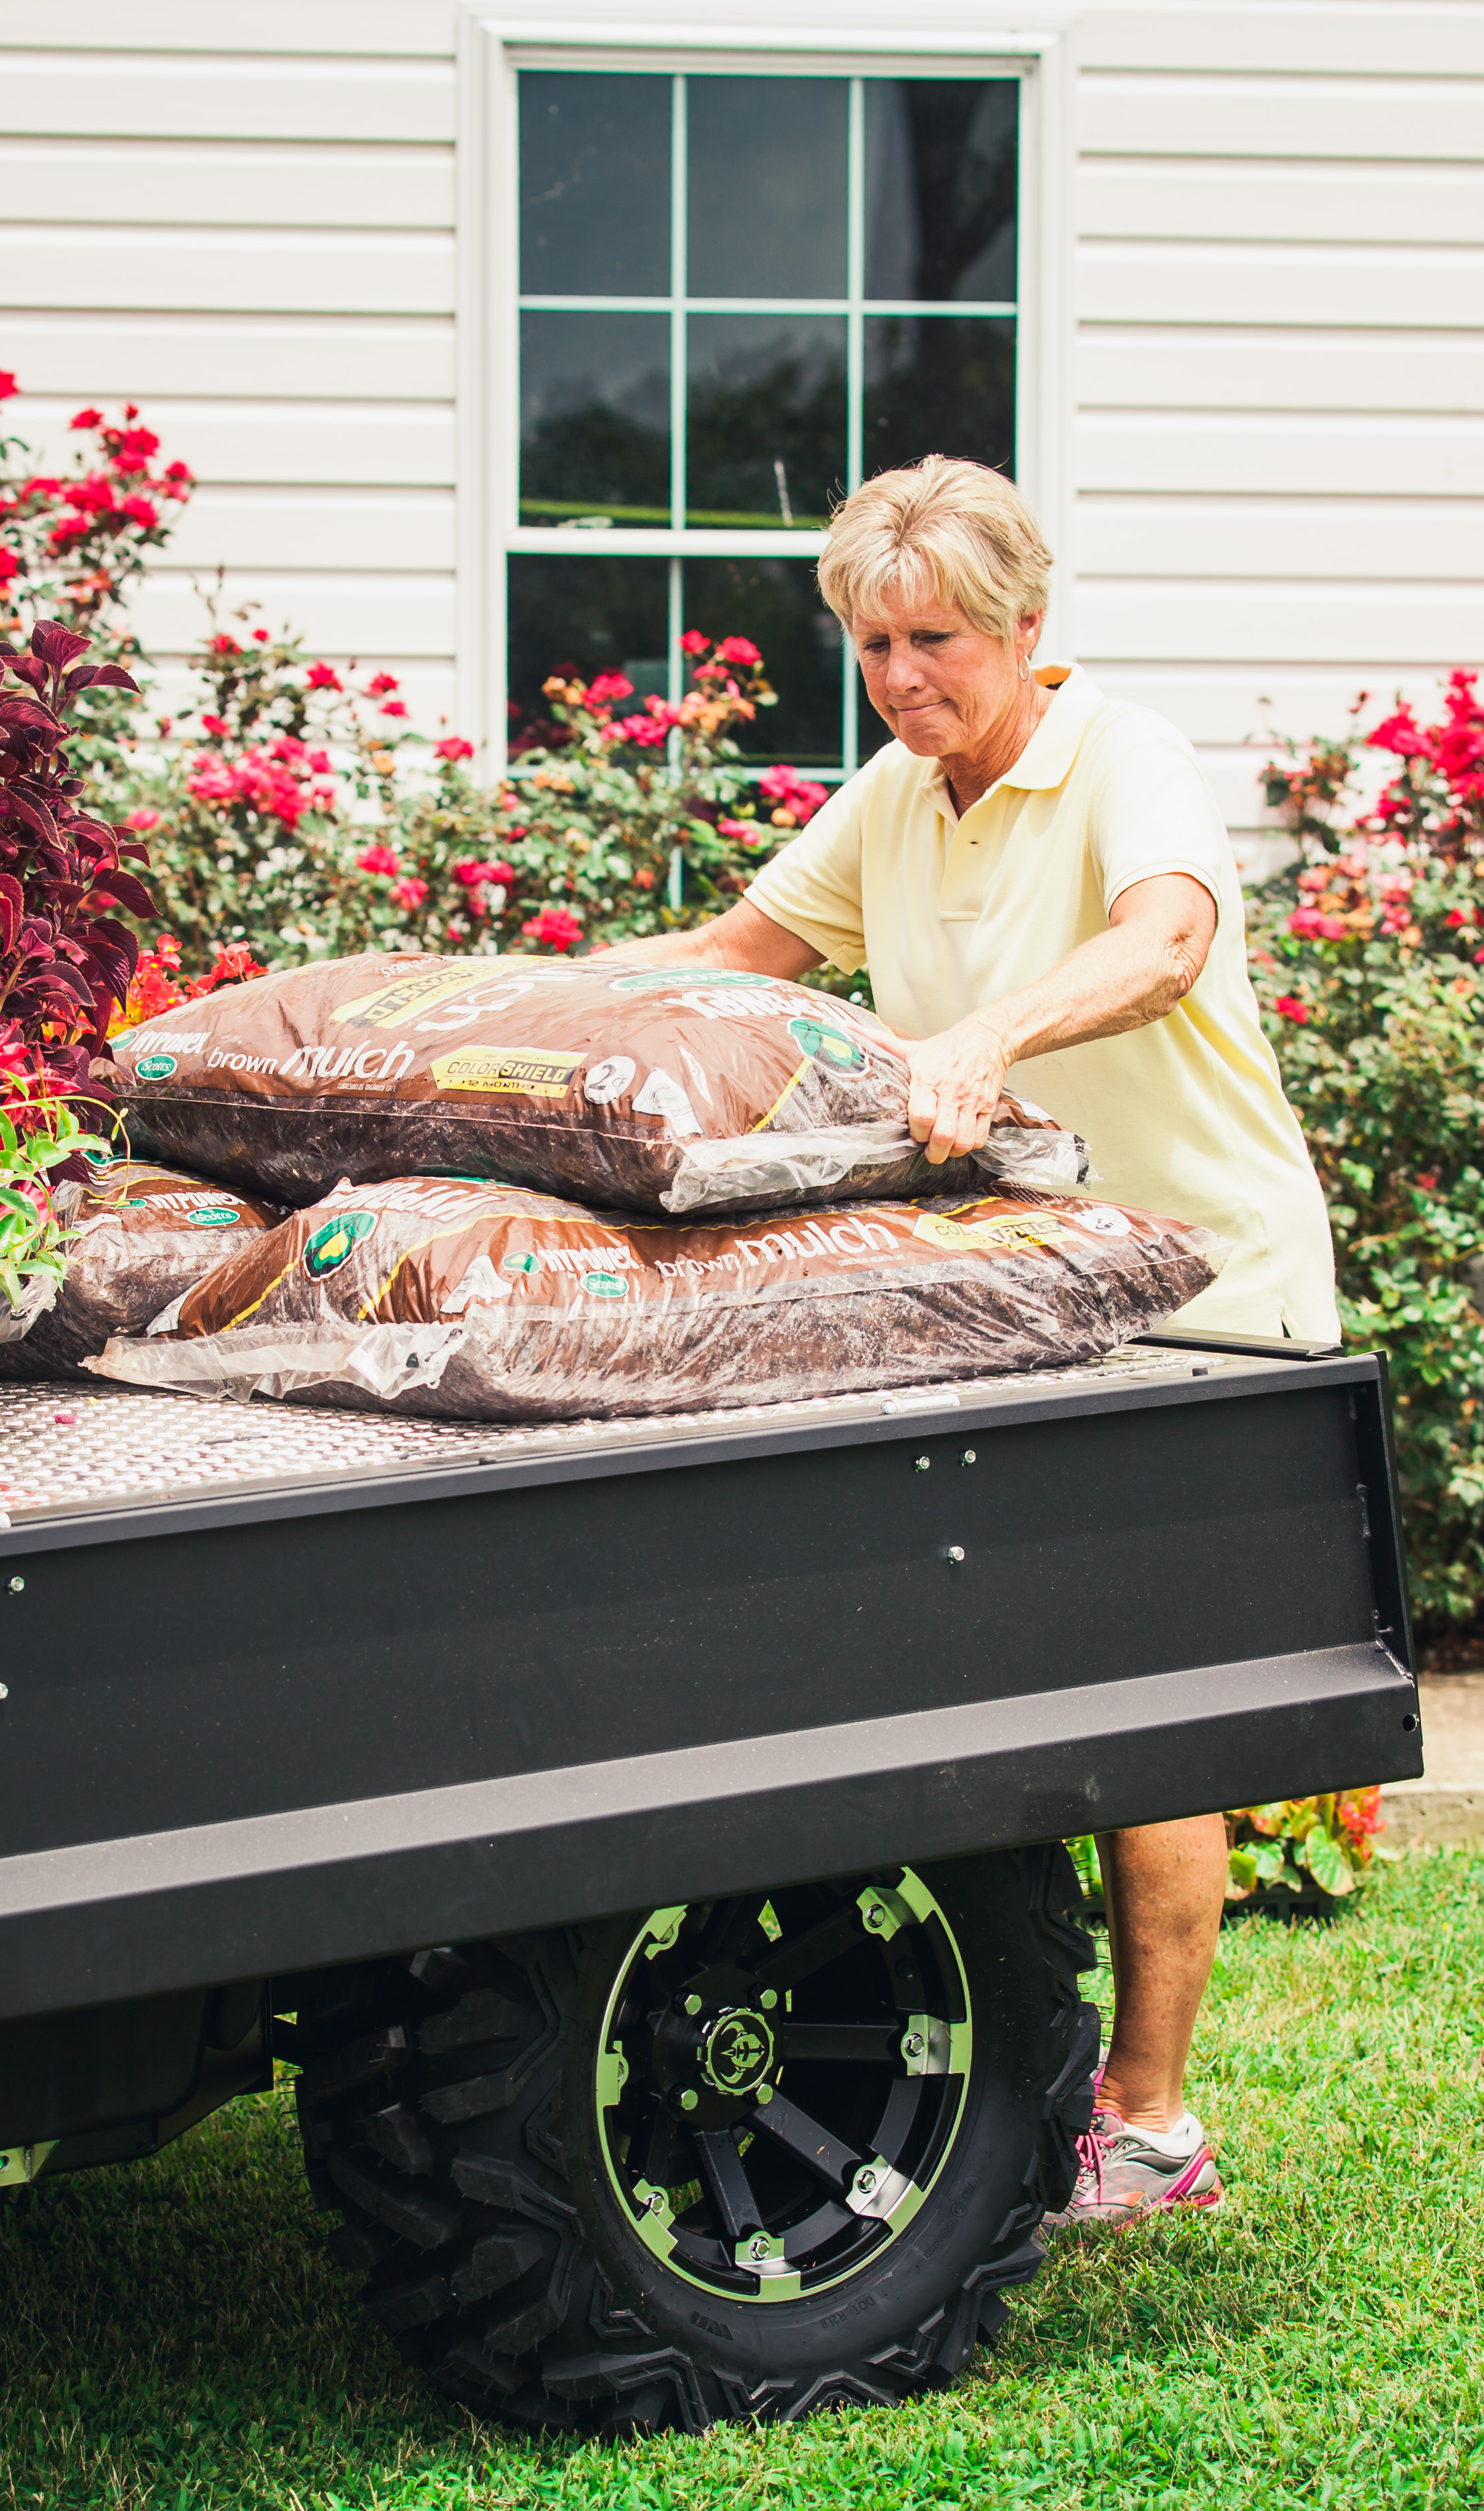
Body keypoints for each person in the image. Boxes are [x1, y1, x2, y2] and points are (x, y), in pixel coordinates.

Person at [595, 455, 1343, 2227]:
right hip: (1016, 1296)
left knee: (1153, 1714)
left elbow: (1163, 943)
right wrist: (501, 1019)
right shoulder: (897, 791)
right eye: (872, 643)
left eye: (934, 638)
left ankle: (1148, 2132)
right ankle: (1006, 2055)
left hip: (1201, 1295)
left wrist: (993, 1030)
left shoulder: (1126, 759)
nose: (904, 674)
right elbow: (737, 956)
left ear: (1025, 625)